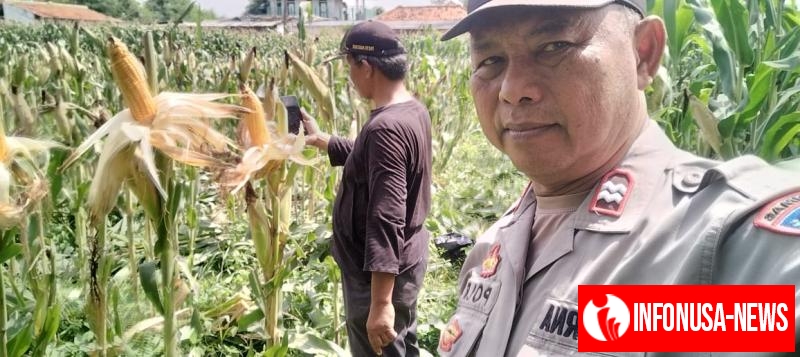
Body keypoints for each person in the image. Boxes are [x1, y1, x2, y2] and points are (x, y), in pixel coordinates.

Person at [435, 0, 800, 356]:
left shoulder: (714, 238)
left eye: (554, 46)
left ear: (643, 53)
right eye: (490, 61)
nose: (512, 90)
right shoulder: (491, 251)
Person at [302, 20, 433, 357]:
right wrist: (326, 142)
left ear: (366, 66)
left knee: (382, 346)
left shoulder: (385, 128)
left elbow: (386, 216)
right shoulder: (411, 110)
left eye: (350, 67)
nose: (350, 76)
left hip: (376, 277)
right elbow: (377, 161)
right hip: (405, 261)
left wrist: (380, 303)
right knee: (402, 344)